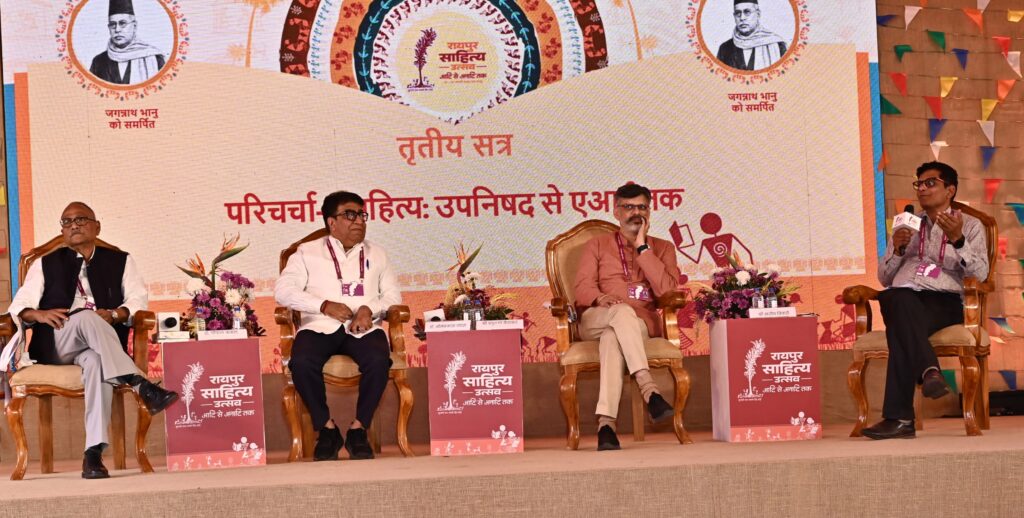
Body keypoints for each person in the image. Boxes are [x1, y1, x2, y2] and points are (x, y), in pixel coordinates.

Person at [2, 202, 179, 479]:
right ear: (62, 230)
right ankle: (139, 383)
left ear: (97, 226)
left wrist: (117, 314)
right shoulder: (44, 263)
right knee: (85, 317)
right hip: (58, 340)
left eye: (81, 219)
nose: (73, 225)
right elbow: (19, 305)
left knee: (96, 363)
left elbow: (137, 300)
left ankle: (93, 454)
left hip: (99, 345)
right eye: (66, 221)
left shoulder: (121, 261)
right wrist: (39, 313)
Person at [862, 162, 989, 440]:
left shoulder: (970, 225)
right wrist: (897, 249)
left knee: (899, 321)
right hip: (902, 298)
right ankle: (929, 371)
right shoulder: (906, 225)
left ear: (950, 190)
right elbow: (884, 277)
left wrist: (958, 240)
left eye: (930, 183)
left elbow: (980, 275)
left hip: (944, 302)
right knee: (895, 297)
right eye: (919, 184)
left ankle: (900, 419)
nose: (922, 188)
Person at [275, 191, 401, 460]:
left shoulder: (377, 253)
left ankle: (358, 430)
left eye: (362, 215)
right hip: (320, 325)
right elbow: (283, 291)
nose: (359, 221)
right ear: (331, 222)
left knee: (378, 360)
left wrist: (369, 309)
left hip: (363, 327)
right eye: (350, 215)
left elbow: (393, 296)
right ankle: (327, 429)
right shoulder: (306, 252)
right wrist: (322, 305)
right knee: (302, 362)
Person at [573, 183, 680, 450]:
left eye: (642, 207)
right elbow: (581, 287)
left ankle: (606, 426)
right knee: (619, 312)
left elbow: (667, 290)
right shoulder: (597, 245)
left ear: (649, 212)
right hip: (598, 317)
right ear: (616, 211)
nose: (635, 213)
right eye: (628, 207)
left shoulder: (663, 248)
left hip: (639, 323)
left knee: (613, 337)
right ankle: (650, 390)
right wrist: (599, 298)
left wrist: (643, 248)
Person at [89, 0, 166, 85]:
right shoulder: (98, 62)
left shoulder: (154, 58)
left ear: (134, 26)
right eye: (113, 24)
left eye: (122, 23)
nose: (117, 29)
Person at [716, 0, 788, 71]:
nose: (742, 18)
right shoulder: (724, 49)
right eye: (738, 13)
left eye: (747, 12)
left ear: (758, 14)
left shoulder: (777, 45)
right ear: (734, 16)